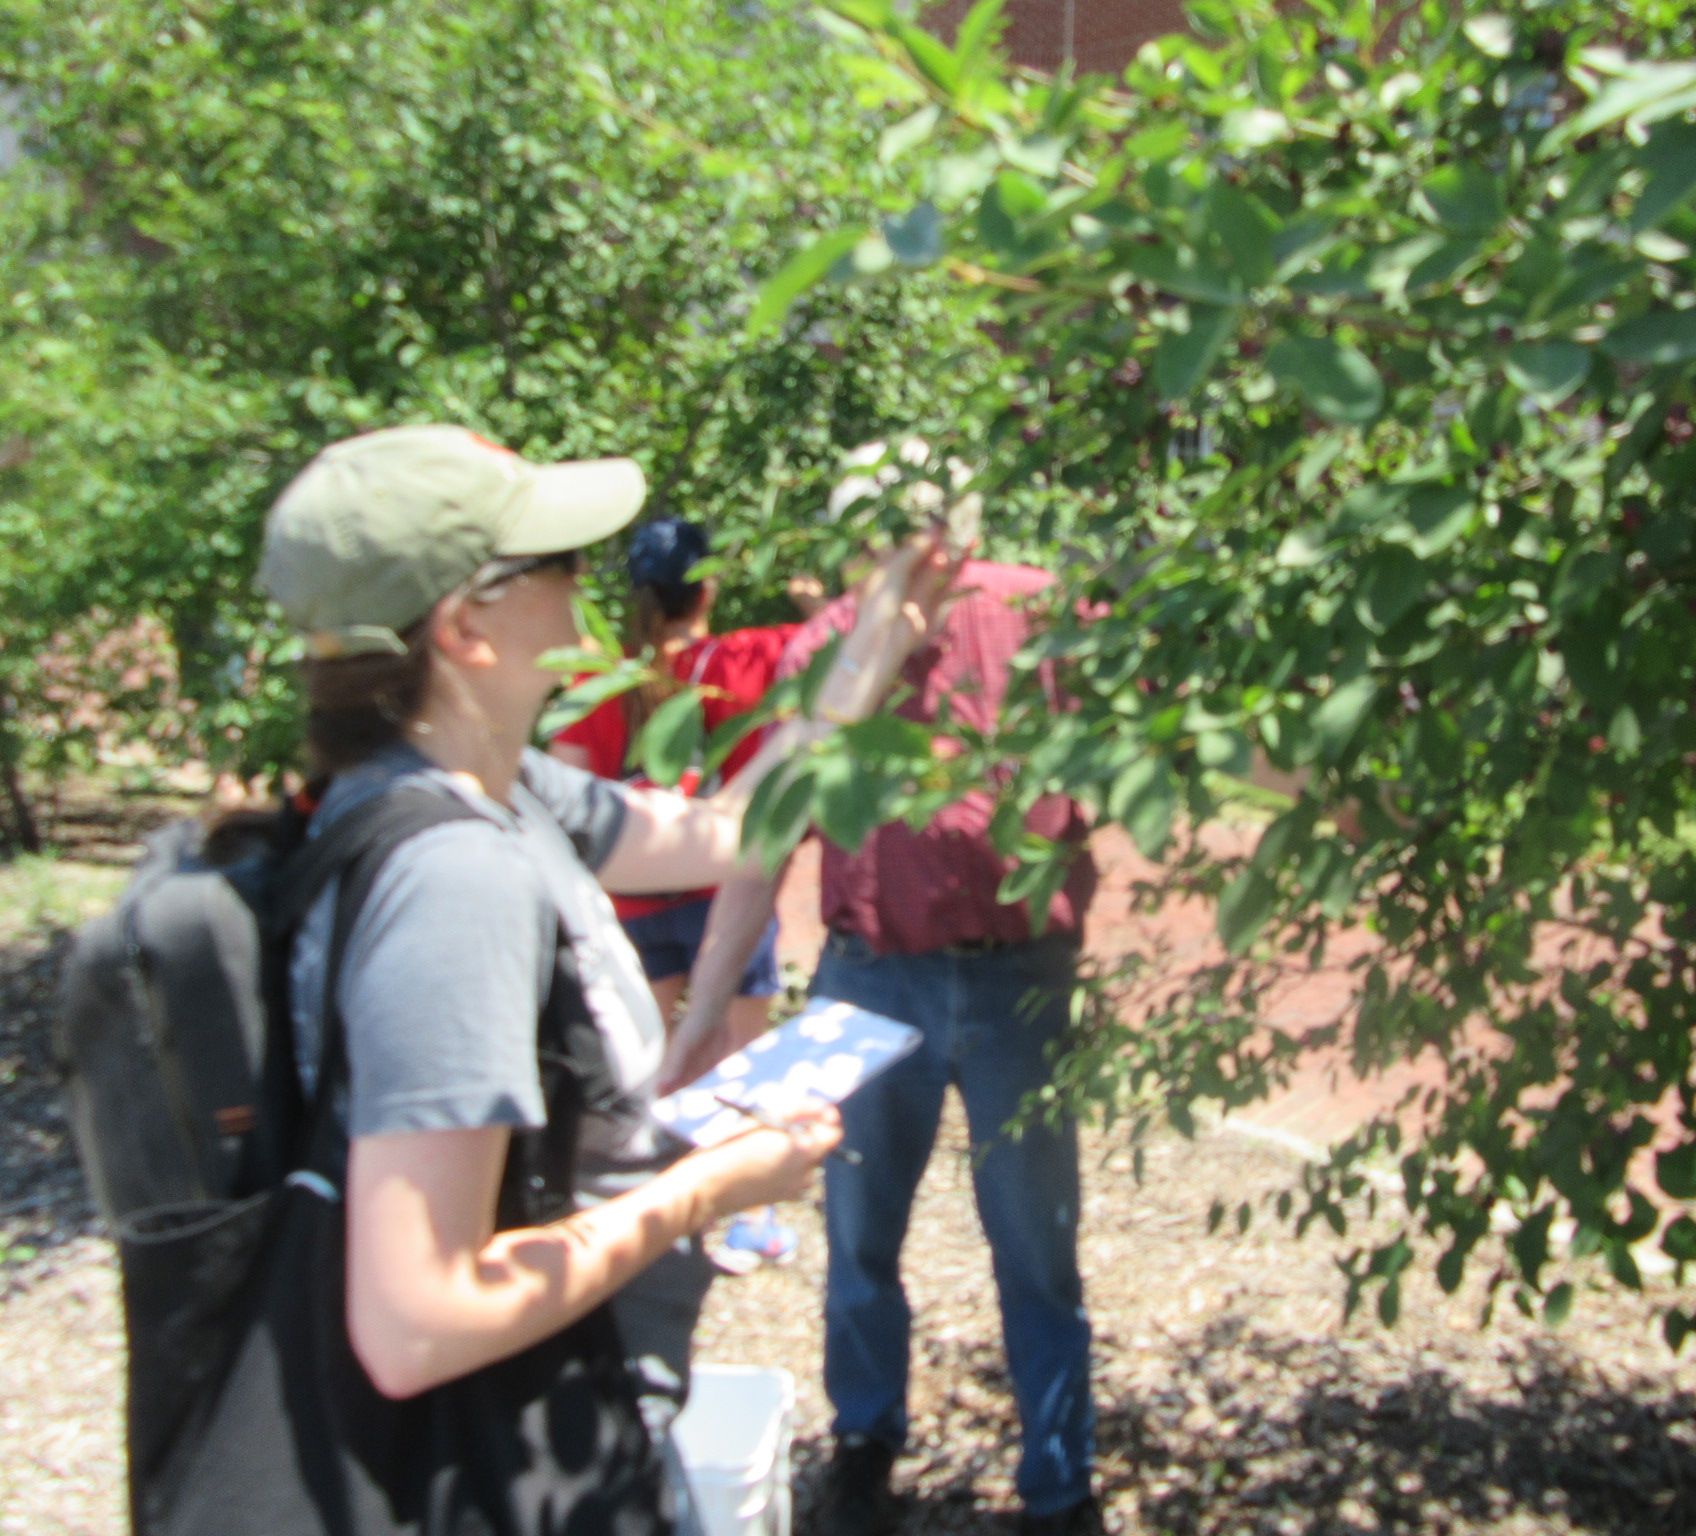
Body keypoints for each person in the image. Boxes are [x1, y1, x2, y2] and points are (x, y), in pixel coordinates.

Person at [250, 424, 951, 1534]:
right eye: (556, 561)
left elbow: (728, 827)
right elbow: (417, 1317)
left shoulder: (497, 789)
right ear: (465, 627)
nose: (589, 581)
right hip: (495, 1467)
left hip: (563, 1417)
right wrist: (705, 1186)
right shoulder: (454, 879)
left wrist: (872, 635)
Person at [663, 539, 1103, 1536]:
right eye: (877, 536)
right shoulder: (826, 647)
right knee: (858, 1234)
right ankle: (863, 1446)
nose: (905, 557)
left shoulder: (1046, 617)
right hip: (866, 977)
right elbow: (764, 838)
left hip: (1017, 980)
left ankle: (1060, 1484)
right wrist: (702, 1017)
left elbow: (1148, 745)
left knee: (1038, 1245)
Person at [550, 514, 814, 1274]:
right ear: (709, 585)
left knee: (657, 1061)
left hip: (633, 902)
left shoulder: (595, 679)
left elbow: (570, 783)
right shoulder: (744, 656)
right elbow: (836, 670)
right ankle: (748, 1214)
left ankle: (666, 1209)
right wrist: (811, 604)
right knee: (742, 1052)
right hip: (721, 891)